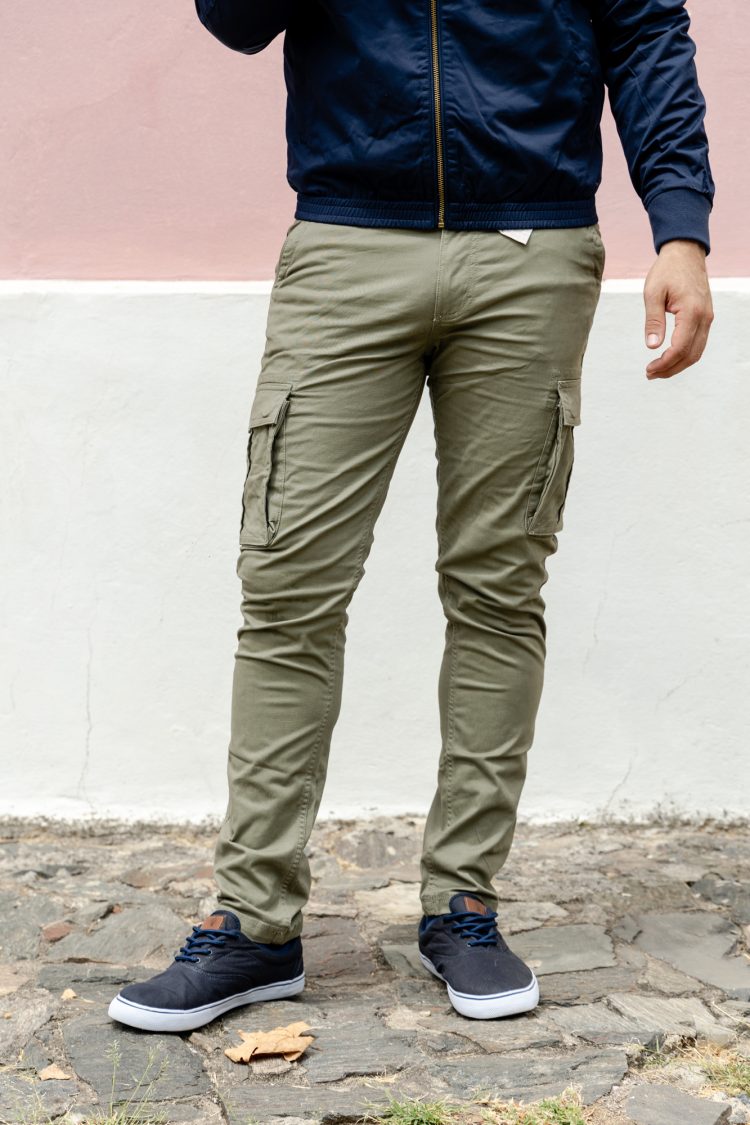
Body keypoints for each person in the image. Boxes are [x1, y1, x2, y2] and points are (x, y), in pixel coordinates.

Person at [108, 0, 714, 1033]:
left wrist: (682, 226)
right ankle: (254, 923)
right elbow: (234, 20)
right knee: (288, 587)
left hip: (533, 246)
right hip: (347, 242)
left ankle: (463, 904)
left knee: (498, 586)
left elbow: (647, 30)